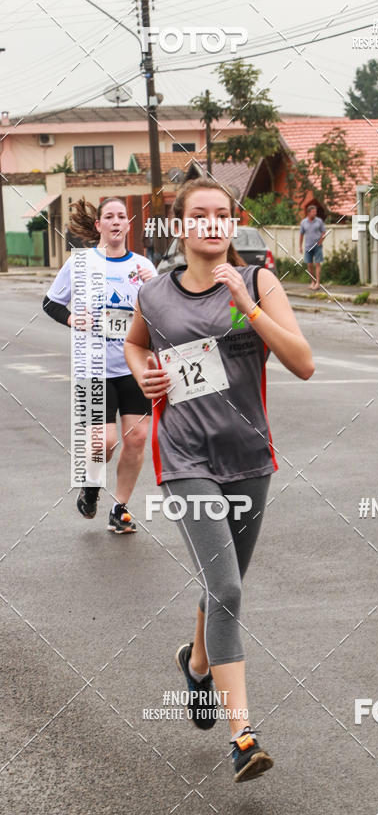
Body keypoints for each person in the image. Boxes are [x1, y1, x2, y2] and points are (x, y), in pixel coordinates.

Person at [124, 177, 314, 782]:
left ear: (232, 224)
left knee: (221, 586)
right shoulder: (156, 294)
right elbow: (135, 346)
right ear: (181, 226)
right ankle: (243, 736)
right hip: (184, 458)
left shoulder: (257, 282)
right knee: (227, 588)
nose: (211, 222)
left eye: (222, 214)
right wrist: (144, 375)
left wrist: (247, 304)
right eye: (199, 214)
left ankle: (198, 664)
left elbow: (303, 363)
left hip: (249, 457)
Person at [43, 196, 157, 530]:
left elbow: (165, 312)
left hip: (134, 365)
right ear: (99, 225)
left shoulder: (144, 266)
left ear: (128, 224)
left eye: (122, 216)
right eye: (109, 216)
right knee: (103, 442)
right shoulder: (80, 263)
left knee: (136, 439)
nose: (116, 221)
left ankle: (120, 509)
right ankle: (91, 487)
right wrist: (72, 319)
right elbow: (51, 303)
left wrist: (154, 288)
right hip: (92, 368)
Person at [299, 204, 326, 289]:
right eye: (313, 212)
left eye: (315, 212)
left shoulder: (319, 221)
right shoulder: (303, 222)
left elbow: (324, 232)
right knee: (309, 265)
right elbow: (301, 235)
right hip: (308, 246)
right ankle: (312, 282)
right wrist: (300, 246)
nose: (315, 213)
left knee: (317, 264)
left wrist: (321, 241)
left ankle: (318, 282)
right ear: (308, 213)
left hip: (317, 246)